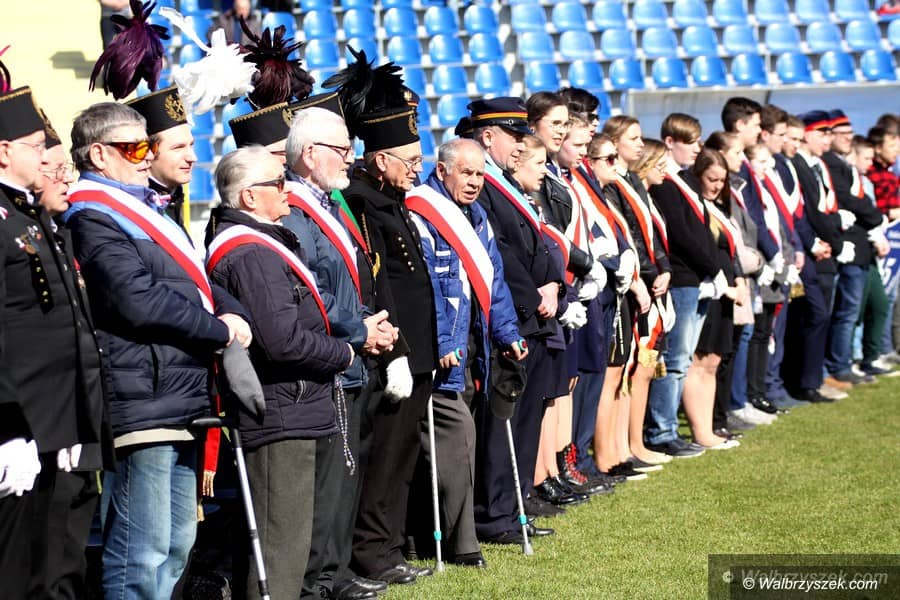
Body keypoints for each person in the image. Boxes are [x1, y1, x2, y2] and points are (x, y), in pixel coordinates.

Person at [62, 102, 252, 600]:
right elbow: (135, 299)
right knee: (140, 553)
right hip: (141, 394)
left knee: (175, 546)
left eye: (148, 146)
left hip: (176, 392)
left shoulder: (147, 209)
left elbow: (197, 282)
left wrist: (231, 314)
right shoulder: (93, 214)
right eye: (135, 148)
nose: (147, 157)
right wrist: (217, 330)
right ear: (99, 155)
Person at [204, 146, 354, 600]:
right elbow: (282, 340)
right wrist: (343, 353)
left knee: (290, 542)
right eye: (277, 182)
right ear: (249, 196)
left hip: (295, 404)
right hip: (281, 409)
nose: (287, 188)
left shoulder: (263, 243)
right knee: (279, 549)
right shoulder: (251, 253)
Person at [282, 104, 400, 600]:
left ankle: (336, 570)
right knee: (328, 480)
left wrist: (373, 325)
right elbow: (309, 289)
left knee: (346, 474)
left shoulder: (329, 204)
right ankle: (318, 581)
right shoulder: (293, 210)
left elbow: (353, 279)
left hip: (353, 354)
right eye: (341, 149)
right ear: (310, 154)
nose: (350, 158)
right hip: (329, 358)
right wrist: (359, 329)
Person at [0, 86, 104, 599]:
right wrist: (8, 428)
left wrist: (73, 419)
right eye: (36, 147)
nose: (46, 159)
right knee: (15, 570)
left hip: (51, 422)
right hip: (19, 424)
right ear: (4, 151)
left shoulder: (30, 218)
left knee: (48, 569)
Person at [405, 138, 526, 568]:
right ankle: (462, 542)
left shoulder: (477, 216)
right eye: (467, 173)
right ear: (442, 171)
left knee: (454, 445)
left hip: (474, 348)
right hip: (444, 351)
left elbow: (494, 282)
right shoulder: (423, 212)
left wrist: (507, 333)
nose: (475, 182)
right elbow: (427, 288)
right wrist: (442, 341)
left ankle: (420, 535)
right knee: (457, 442)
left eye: (480, 174)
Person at [343, 104, 438, 586]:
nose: (418, 169)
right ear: (381, 160)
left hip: (418, 352)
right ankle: (373, 550)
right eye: (410, 160)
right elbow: (380, 286)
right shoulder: (362, 203)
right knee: (384, 457)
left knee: (403, 456)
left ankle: (392, 545)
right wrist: (397, 352)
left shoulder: (392, 199)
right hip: (393, 353)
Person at [468, 97, 564, 546]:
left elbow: (538, 243)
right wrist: (533, 296)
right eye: (514, 136)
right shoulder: (483, 184)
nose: (521, 145)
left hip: (535, 312)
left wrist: (555, 283)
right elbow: (499, 252)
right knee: (505, 421)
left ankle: (516, 507)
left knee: (526, 422)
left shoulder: (504, 181)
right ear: (489, 136)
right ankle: (495, 514)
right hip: (516, 314)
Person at [646, 113, 726, 453]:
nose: (698, 148)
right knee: (676, 359)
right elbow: (679, 234)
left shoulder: (686, 180)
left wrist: (712, 269)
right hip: (680, 278)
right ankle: (661, 432)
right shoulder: (664, 183)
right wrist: (712, 267)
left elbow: (702, 229)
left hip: (696, 278)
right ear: (670, 142)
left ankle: (668, 430)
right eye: (691, 141)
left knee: (683, 359)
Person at [821, 110, 888, 382]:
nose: (848, 138)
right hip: (848, 245)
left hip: (859, 247)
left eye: (850, 133)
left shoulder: (841, 164)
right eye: (842, 133)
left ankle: (845, 362)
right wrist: (875, 216)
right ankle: (839, 365)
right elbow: (850, 200)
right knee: (846, 312)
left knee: (853, 311)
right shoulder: (831, 164)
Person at [126, 86, 196, 227]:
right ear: (147, 152)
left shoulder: (173, 195)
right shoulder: (132, 208)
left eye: (191, 145)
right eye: (178, 148)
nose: (192, 157)